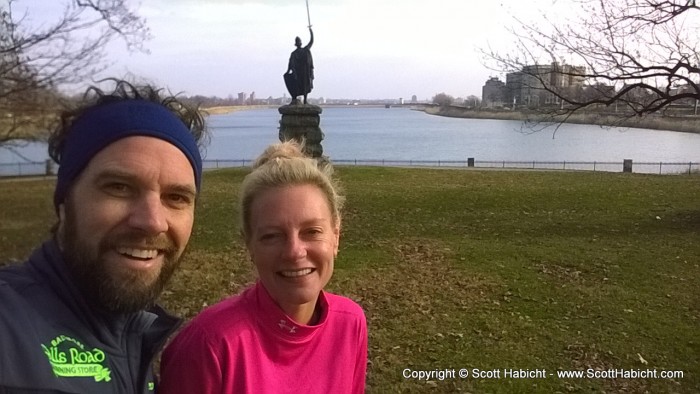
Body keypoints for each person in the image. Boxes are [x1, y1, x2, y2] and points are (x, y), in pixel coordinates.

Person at [0, 80, 207, 393]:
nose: (152, 222)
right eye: (119, 187)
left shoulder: (134, 336)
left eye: (176, 197)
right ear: (64, 202)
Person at [160, 141, 368, 394]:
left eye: (312, 232)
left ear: (336, 235)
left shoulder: (349, 323)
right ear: (249, 244)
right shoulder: (210, 344)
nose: (294, 251)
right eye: (271, 235)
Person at [284, 27, 315, 105]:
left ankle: (303, 99)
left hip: (302, 72)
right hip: (301, 73)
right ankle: (301, 99)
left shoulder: (301, 51)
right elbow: (290, 63)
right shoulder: (297, 53)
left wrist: (311, 31)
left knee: (304, 85)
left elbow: (290, 64)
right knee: (303, 85)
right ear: (299, 44)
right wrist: (311, 31)